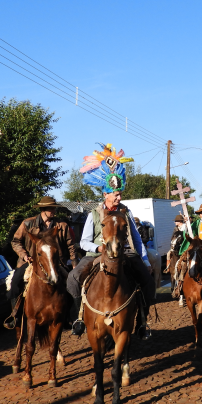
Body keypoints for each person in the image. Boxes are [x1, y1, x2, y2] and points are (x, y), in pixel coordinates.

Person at [67, 144, 156, 337]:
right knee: (73, 278)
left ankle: (142, 321)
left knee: (147, 281)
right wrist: (98, 248)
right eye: (116, 194)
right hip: (97, 254)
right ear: (105, 194)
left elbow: (137, 240)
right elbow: (83, 242)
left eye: (120, 194)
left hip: (126, 253)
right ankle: (79, 318)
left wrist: (146, 261)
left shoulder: (126, 212)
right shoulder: (94, 214)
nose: (119, 197)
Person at [6, 197, 76, 328]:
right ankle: (15, 315)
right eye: (51, 208)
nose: (54, 211)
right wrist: (25, 256)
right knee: (15, 282)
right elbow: (15, 241)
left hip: (56, 262)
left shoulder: (62, 225)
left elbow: (70, 245)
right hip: (31, 261)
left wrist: (73, 262)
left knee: (71, 284)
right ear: (43, 210)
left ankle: (66, 316)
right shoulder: (28, 224)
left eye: (54, 208)